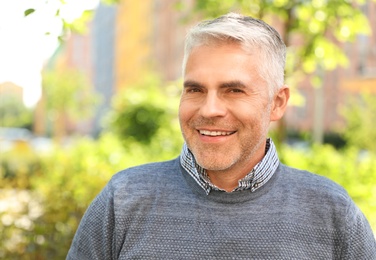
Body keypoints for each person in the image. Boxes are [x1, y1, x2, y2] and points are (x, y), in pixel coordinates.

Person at [67, 13, 376, 259]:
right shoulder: (122, 201)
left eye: (234, 90)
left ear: (277, 103)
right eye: (195, 90)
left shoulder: (333, 213)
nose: (209, 109)